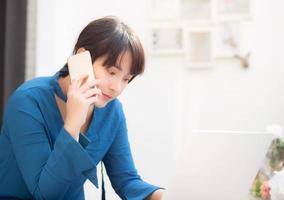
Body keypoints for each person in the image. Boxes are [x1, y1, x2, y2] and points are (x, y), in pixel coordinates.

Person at [0, 16, 164, 200]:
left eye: (126, 79)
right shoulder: (28, 101)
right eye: (111, 72)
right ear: (81, 57)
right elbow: (45, 194)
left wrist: (166, 196)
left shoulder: (111, 111)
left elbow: (126, 181)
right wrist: (73, 125)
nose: (116, 87)